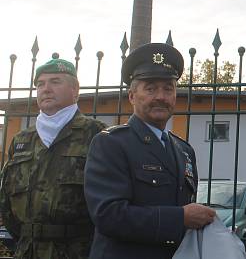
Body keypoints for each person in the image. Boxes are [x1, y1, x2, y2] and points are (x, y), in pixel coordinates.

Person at [83, 42, 215, 259]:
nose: (161, 97)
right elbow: (108, 215)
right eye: (151, 88)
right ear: (132, 96)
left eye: (168, 88)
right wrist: (180, 218)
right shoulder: (111, 144)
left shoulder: (184, 150)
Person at [0, 58, 107, 258]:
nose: (46, 89)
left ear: (75, 90)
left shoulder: (98, 135)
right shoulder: (22, 140)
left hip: (78, 251)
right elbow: (6, 204)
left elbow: (109, 202)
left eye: (55, 82)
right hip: (27, 250)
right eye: (40, 84)